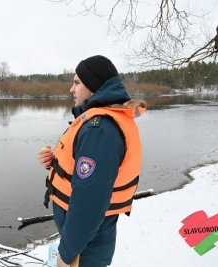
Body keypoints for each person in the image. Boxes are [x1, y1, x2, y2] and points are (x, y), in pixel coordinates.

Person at [37, 55, 146, 267]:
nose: (71, 89)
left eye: (77, 82)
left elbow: (90, 201)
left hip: (85, 246)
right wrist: (54, 163)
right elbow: (87, 172)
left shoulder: (100, 129)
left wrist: (66, 254)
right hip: (83, 238)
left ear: (94, 87)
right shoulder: (98, 121)